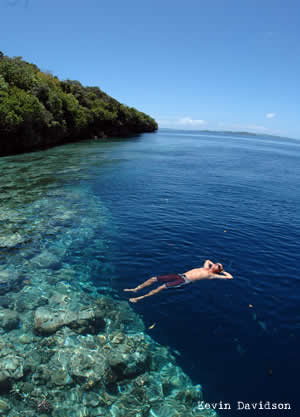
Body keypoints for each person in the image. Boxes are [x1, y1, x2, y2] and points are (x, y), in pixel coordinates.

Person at [124, 259, 233, 303]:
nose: (215, 264)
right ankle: (136, 289)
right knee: (154, 278)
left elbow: (230, 277)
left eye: (218, 265)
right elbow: (207, 260)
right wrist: (215, 265)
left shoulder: (212, 275)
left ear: (217, 269)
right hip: (180, 275)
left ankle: (139, 298)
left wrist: (222, 271)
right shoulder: (205, 267)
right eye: (217, 263)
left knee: (161, 287)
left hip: (184, 281)